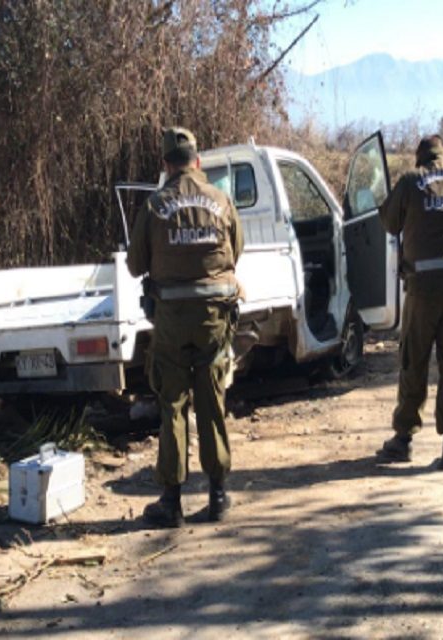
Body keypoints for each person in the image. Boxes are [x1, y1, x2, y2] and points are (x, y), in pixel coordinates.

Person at [127, 127, 244, 527]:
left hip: (171, 324)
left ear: (165, 165)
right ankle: (218, 496)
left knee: (172, 405)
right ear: (198, 161)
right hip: (214, 320)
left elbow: (135, 264)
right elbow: (236, 251)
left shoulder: (155, 206)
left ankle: (171, 502)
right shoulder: (221, 200)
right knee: (212, 403)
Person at [376, 134, 443, 471]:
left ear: (421, 159)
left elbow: (389, 223)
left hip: (423, 288)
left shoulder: (411, 181)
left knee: (414, 359)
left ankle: (404, 439)